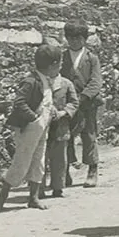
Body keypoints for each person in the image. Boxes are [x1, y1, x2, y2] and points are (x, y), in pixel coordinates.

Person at [0, 44, 59, 212]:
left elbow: (45, 100)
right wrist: (33, 117)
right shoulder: (31, 81)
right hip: (31, 127)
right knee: (22, 161)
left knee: (39, 159)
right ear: (52, 65)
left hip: (44, 125)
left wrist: (52, 110)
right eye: (58, 65)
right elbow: (19, 102)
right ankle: (1, 199)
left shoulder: (46, 81)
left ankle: (33, 197)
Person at [63, 21, 104, 188]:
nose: (74, 41)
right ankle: (64, 170)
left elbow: (96, 81)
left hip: (88, 103)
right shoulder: (62, 57)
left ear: (85, 39)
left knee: (89, 135)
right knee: (65, 136)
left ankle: (92, 169)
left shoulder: (91, 58)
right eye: (71, 38)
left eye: (78, 38)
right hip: (67, 104)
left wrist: (84, 97)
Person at [42, 59, 79, 199]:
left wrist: (63, 112)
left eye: (57, 66)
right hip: (43, 125)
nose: (53, 69)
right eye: (51, 66)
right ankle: (39, 188)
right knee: (41, 158)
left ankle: (58, 188)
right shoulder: (40, 83)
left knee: (59, 159)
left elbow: (74, 102)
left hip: (60, 126)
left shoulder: (66, 83)